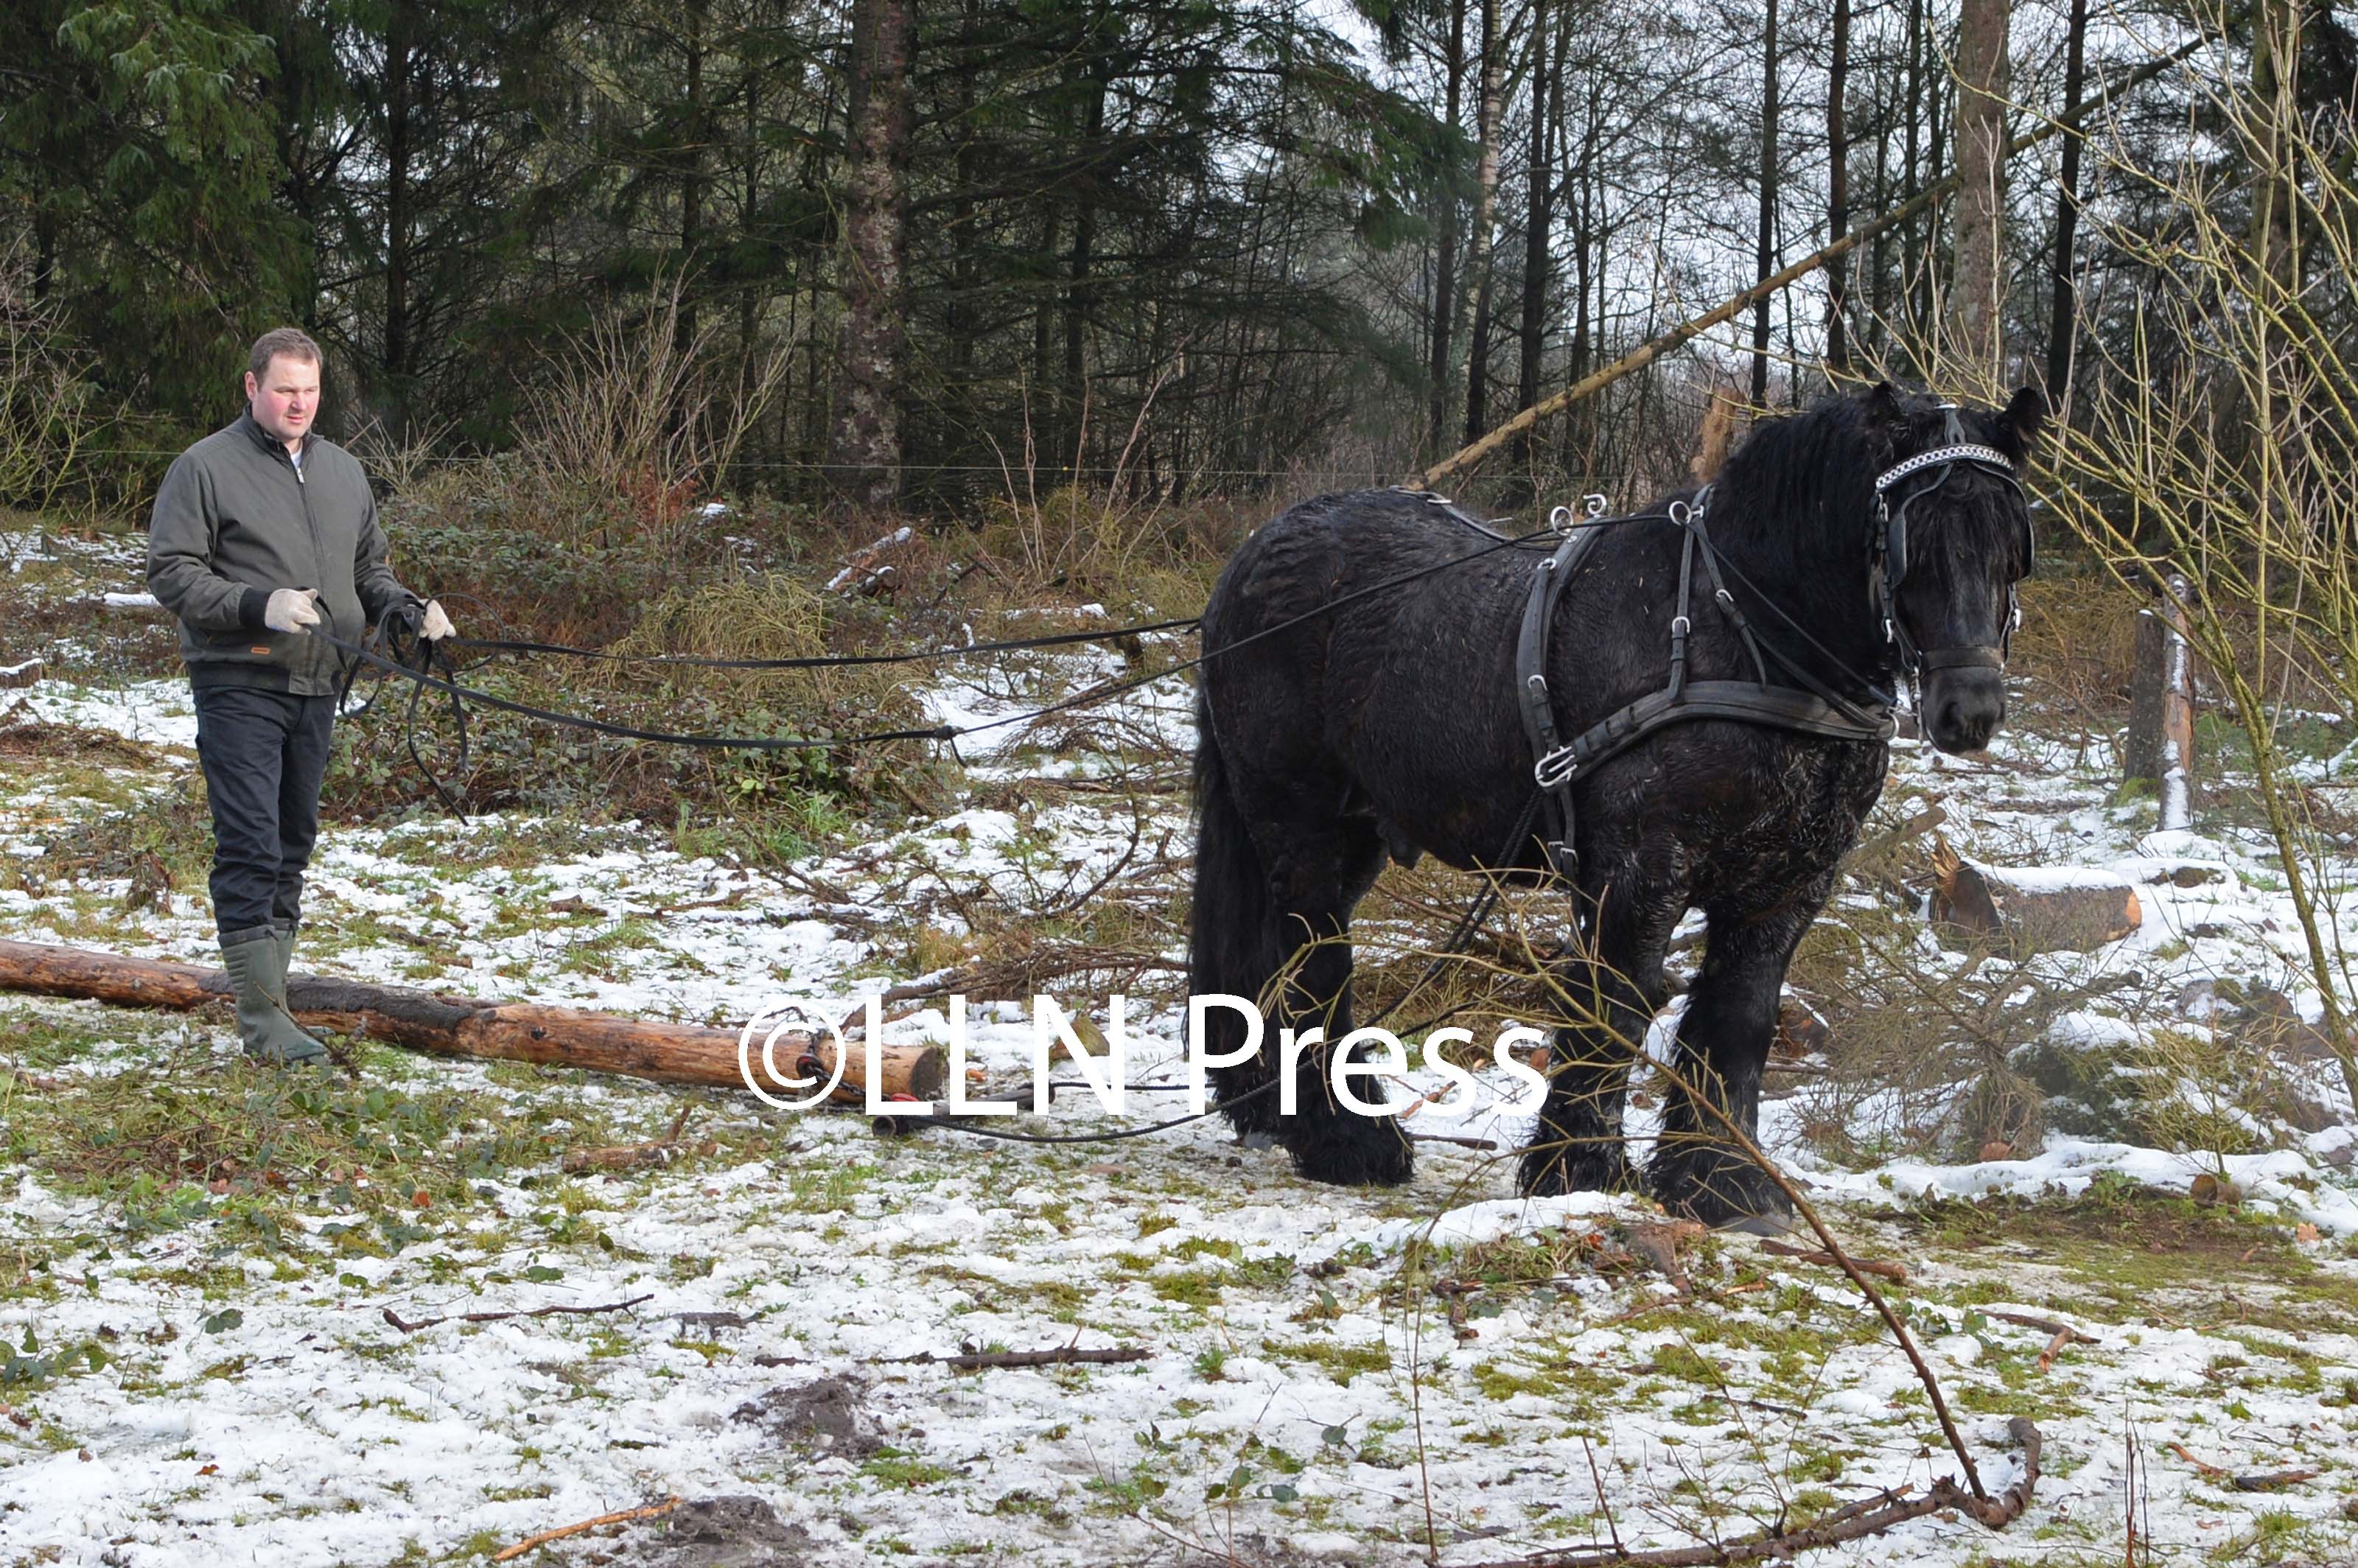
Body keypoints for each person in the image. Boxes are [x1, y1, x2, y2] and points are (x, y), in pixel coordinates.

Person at [146, 327, 455, 1065]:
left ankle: (274, 1000)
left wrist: (410, 610)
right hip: (240, 679)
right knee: (250, 845)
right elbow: (171, 572)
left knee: (291, 846)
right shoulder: (203, 468)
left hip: (320, 683)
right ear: (251, 387)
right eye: (285, 389)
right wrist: (260, 603)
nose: (298, 404)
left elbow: (366, 570)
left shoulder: (345, 471)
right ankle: (262, 1022)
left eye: (310, 391)